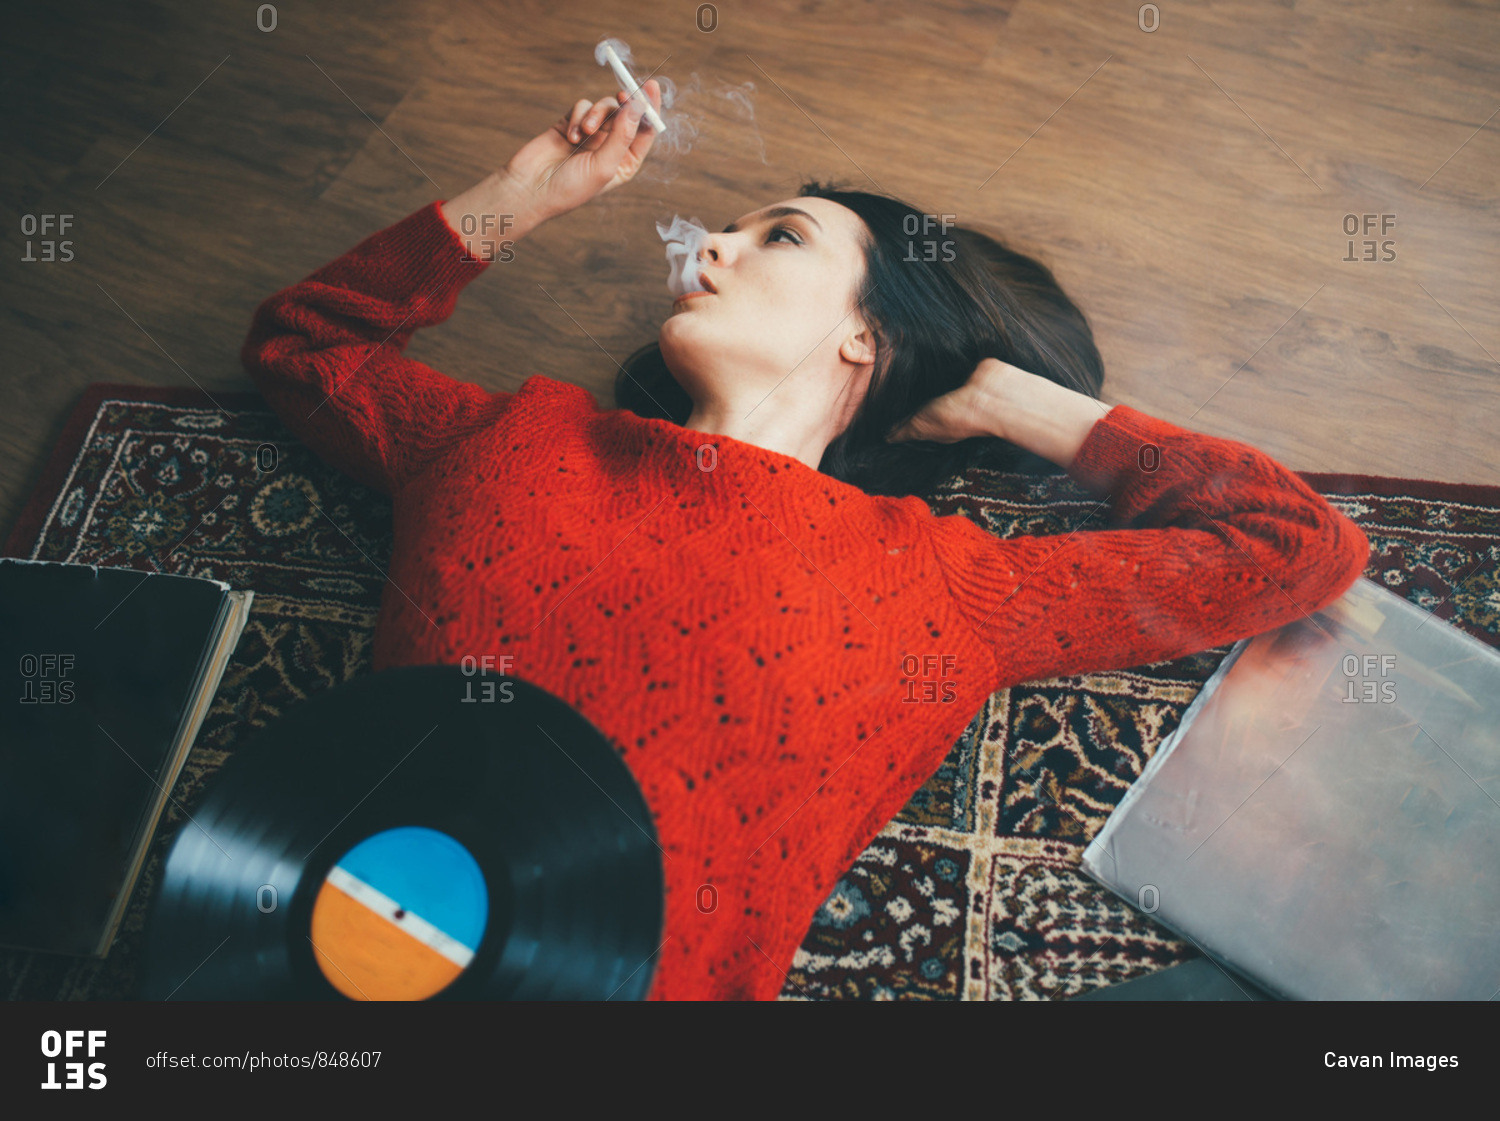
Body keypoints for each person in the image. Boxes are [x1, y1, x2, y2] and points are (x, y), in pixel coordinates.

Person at [241, 80, 1370, 999]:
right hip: (334, 979)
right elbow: (304, 350)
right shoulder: (510, 436)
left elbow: (1292, 545)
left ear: (866, 336)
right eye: (722, 232)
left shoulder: (946, 583)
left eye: (775, 236)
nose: (710, 252)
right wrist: (519, 196)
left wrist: (1014, 403)